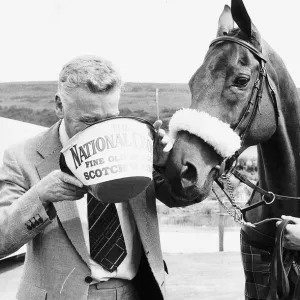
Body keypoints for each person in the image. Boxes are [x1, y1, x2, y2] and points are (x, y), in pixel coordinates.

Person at [0, 55, 200, 300]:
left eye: (109, 118)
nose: (101, 130)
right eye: (89, 121)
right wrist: (39, 197)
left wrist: (164, 164)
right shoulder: (21, 157)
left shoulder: (135, 145)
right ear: (59, 106)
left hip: (135, 293)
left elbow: (184, 197)